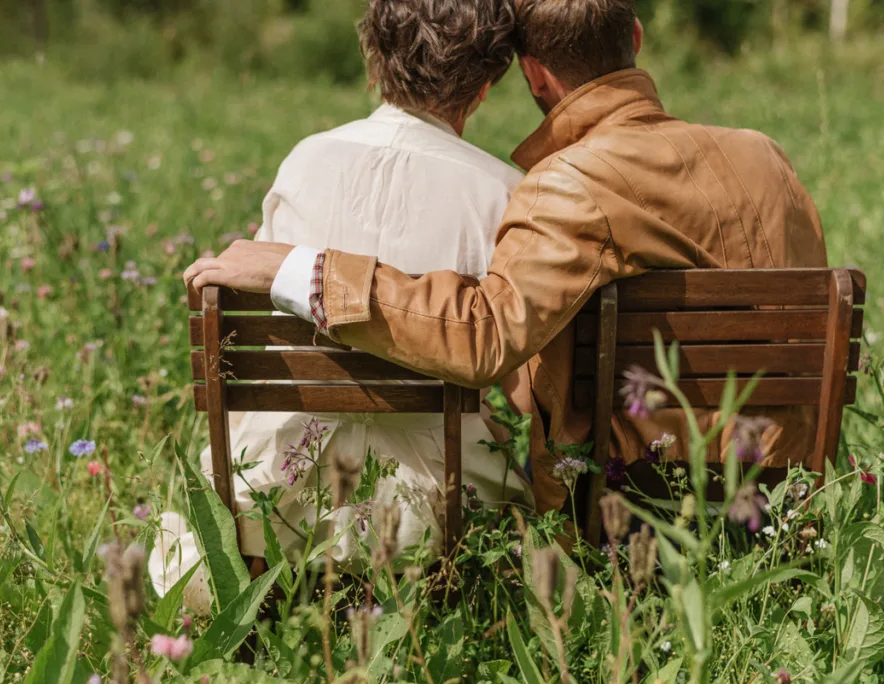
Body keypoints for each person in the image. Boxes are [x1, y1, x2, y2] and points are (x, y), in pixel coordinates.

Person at [184, 0, 829, 521]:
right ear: (635, 35)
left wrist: (302, 270)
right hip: (789, 488)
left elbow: (484, 335)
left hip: (642, 499)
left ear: (534, 75)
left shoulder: (569, 184)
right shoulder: (765, 154)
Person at [153, 0, 531, 612]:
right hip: (441, 500)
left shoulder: (305, 162)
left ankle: (262, 580)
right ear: (486, 85)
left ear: (373, 61)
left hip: (286, 489)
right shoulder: (501, 191)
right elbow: (516, 378)